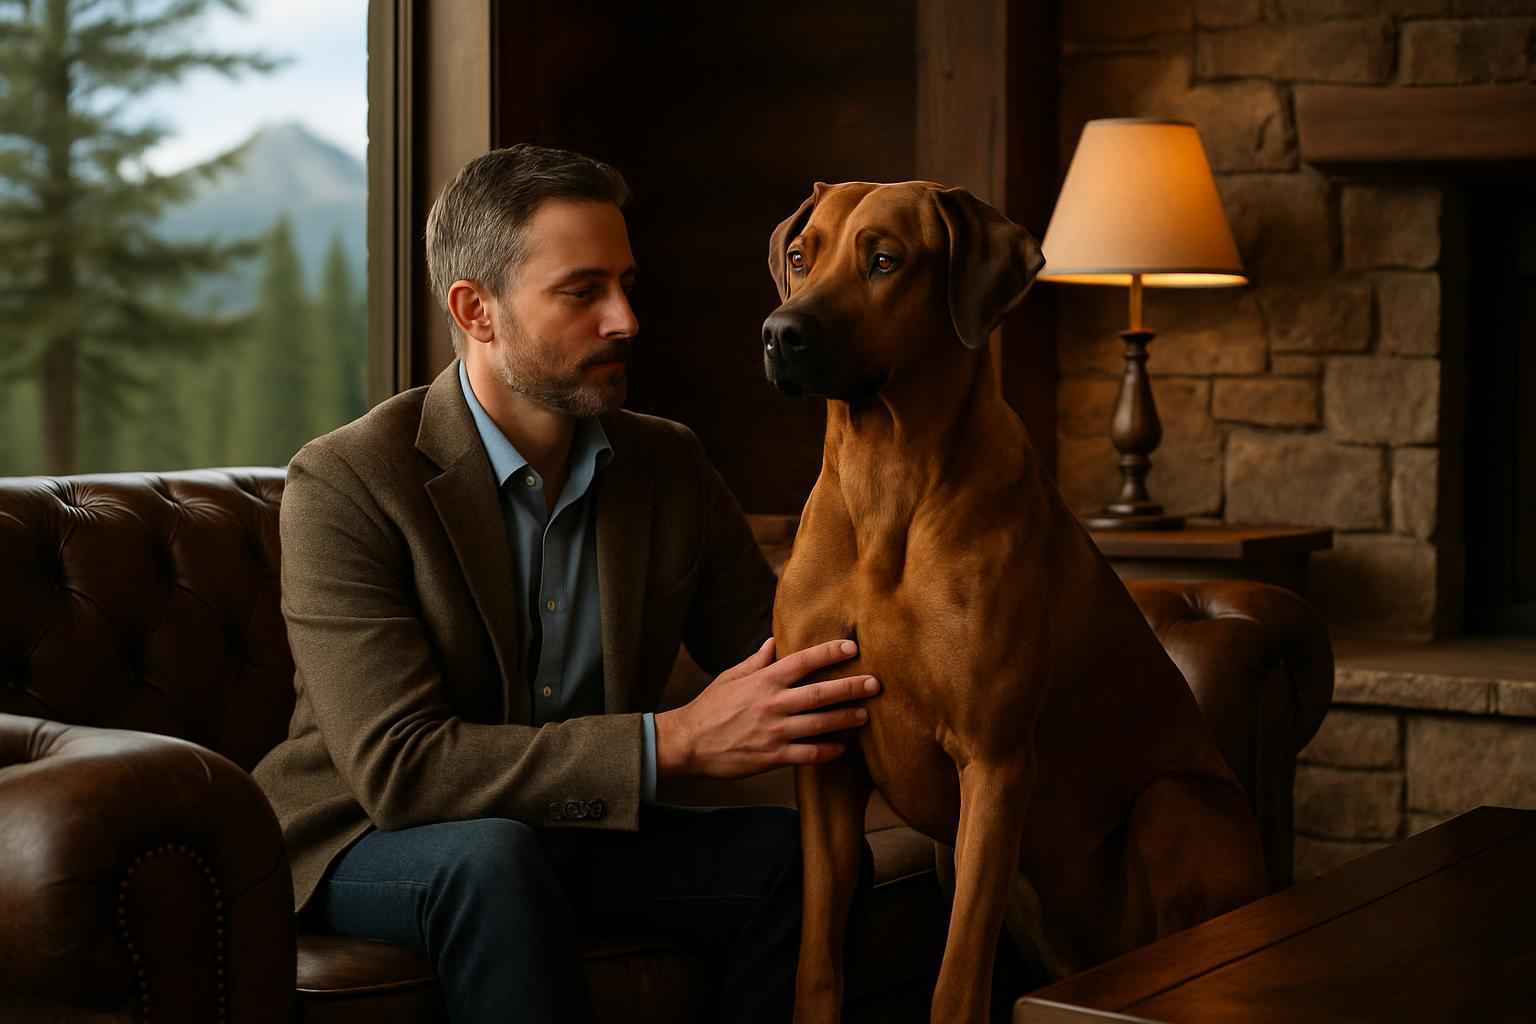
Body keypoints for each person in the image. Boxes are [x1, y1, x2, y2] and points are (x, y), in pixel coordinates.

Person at [251, 143, 880, 1023]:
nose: (625, 319)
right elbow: (400, 769)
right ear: (477, 310)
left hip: (574, 832)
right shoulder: (347, 482)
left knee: (793, 857)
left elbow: (778, 653)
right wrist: (672, 744)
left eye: (626, 283)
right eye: (583, 292)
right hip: (361, 836)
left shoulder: (668, 462)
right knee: (491, 858)